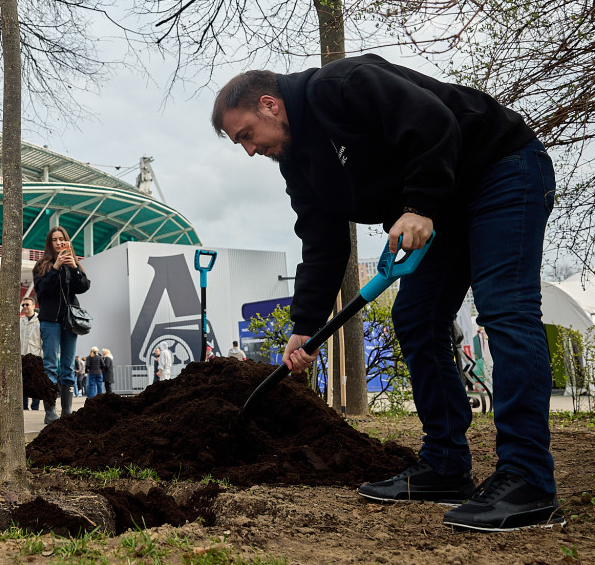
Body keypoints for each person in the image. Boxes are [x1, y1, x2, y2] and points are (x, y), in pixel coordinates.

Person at [212, 53, 561, 532]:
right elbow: (322, 243)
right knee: (416, 317)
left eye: (247, 135)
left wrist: (419, 204)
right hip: (444, 205)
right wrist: (304, 326)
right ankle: (445, 465)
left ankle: (528, 477)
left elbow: (432, 122)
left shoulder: (341, 85)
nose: (250, 150)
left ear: (269, 105)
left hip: (498, 169)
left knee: (505, 308)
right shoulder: (299, 165)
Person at [33, 226, 90, 424]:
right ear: (49, 243)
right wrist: (55, 267)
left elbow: (83, 287)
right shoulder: (42, 265)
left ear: (67, 242)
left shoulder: (73, 263)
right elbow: (41, 290)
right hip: (50, 321)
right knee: (49, 365)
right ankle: (50, 412)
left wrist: (74, 268)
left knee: (68, 366)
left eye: (62, 239)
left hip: (70, 322)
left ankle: (67, 411)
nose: (58, 243)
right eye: (55, 240)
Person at [20, 297, 42, 411]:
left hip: (35, 356)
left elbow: (43, 340)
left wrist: (41, 356)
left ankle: (35, 406)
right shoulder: (20, 321)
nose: (25, 307)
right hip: (22, 356)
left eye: (27, 304)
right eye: (23, 305)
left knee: (35, 382)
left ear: (33, 306)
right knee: (23, 382)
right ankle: (24, 406)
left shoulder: (40, 321)